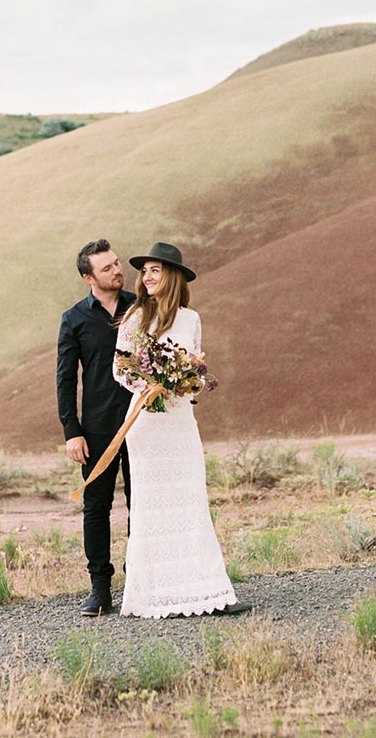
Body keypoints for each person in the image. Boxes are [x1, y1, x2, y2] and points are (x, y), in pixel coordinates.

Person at [112, 242, 250, 618]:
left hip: (180, 423)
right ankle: (155, 597)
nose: (147, 276)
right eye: (145, 271)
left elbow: (196, 367)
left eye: (155, 270)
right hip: (148, 423)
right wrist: (149, 384)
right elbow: (120, 369)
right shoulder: (134, 318)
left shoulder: (191, 319)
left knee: (190, 502)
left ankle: (206, 592)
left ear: (171, 275)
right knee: (152, 508)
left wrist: (183, 382)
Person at [56, 238, 136, 616]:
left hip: (142, 422)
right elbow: (66, 380)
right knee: (96, 507)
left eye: (118, 264)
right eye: (108, 268)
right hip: (98, 428)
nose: (118, 271)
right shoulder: (74, 319)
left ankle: (139, 579)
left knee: (143, 503)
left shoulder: (141, 308)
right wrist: (72, 430)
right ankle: (100, 590)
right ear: (89, 277)